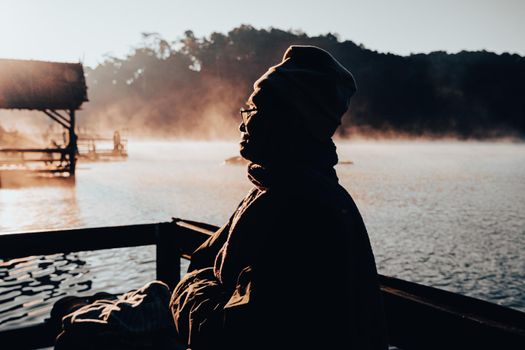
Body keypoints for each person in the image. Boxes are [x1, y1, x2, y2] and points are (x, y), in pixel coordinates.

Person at [170, 45, 388, 349]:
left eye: (254, 110)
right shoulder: (280, 190)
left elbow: (231, 334)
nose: (243, 123)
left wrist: (187, 288)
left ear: (290, 120)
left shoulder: (300, 208)